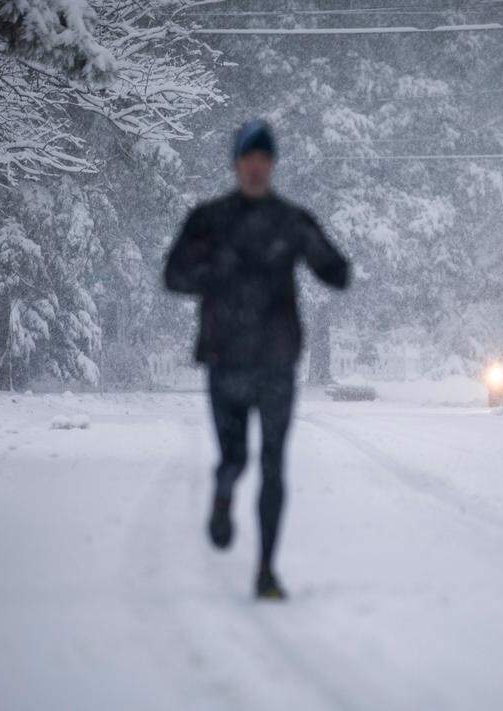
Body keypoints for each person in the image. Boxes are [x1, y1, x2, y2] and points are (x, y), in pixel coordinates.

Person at [164, 120, 350, 600]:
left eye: (264, 158)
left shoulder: (290, 220)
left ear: (272, 165)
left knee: (273, 464)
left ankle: (266, 570)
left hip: (275, 361)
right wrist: (215, 272)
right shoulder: (209, 218)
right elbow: (174, 276)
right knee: (235, 457)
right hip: (225, 360)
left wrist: (326, 259)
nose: (256, 166)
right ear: (235, 163)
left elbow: (336, 272)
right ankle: (224, 494)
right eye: (248, 157)